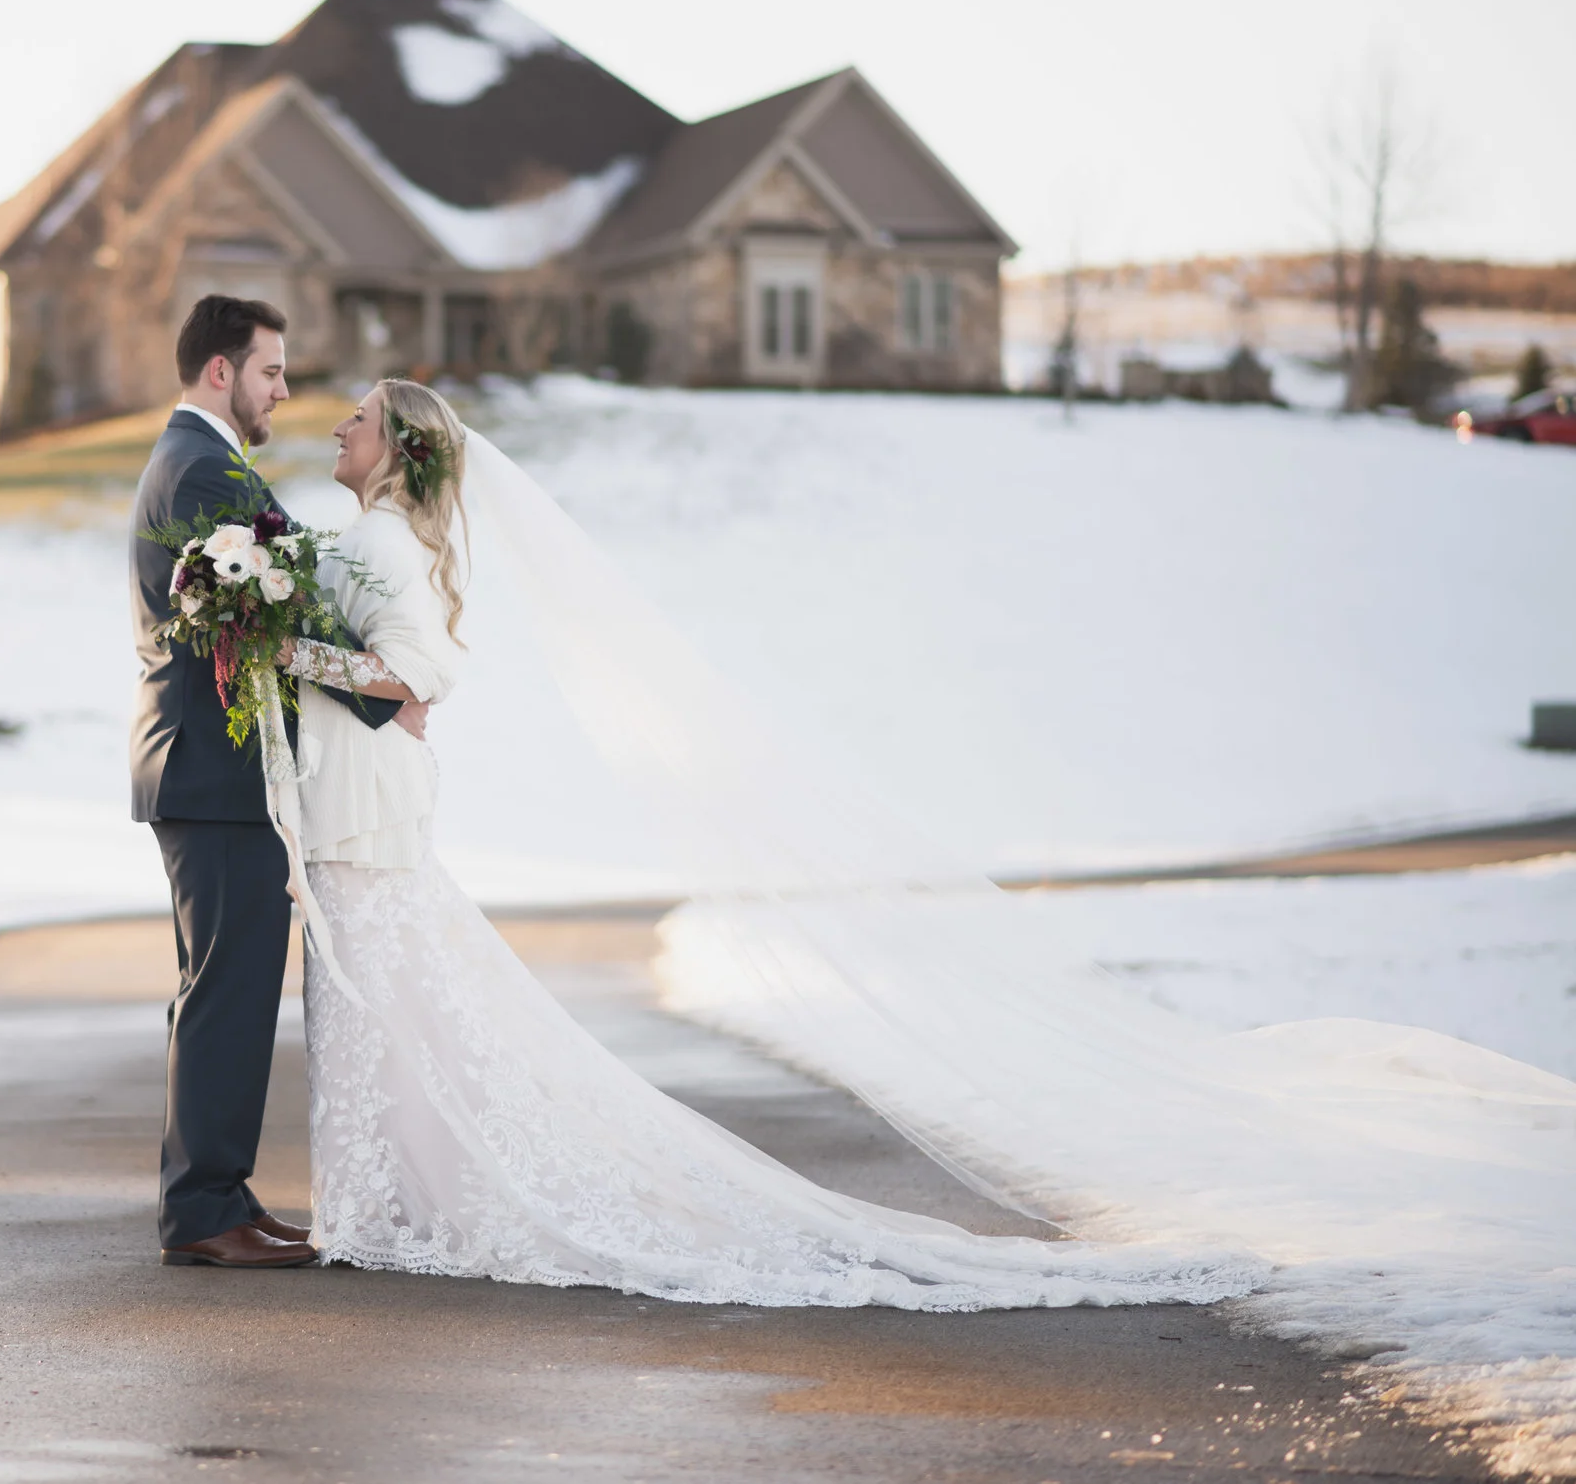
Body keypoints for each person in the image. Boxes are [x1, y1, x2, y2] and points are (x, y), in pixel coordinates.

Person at [272, 377, 1261, 1308]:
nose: (336, 429)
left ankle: (380, 1206)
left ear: (397, 449)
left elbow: (414, 676)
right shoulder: (385, 538)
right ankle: (385, 1201)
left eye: (356, 419)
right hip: (373, 801)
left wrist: (277, 645)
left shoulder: (376, 544)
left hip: (366, 808)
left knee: (377, 1007)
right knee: (391, 1011)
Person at [126, 295, 416, 1269]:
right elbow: (270, 607)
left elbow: (265, 601)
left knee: (217, 988)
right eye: (271, 371)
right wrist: (387, 691)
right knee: (229, 992)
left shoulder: (201, 462)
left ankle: (214, 1195)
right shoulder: (203, 468)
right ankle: (206, 1211)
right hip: (212, 771)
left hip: (205, 770)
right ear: (221, 371)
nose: (284, 391)